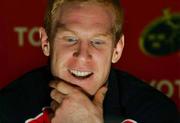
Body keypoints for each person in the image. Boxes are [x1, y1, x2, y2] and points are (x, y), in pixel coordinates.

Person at [0, 0, 179, 123]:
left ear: (117, 49)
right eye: (70, 39)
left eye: (97, 42)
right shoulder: (8, 109)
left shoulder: (157, 114)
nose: (82, 55)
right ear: (46, 42)